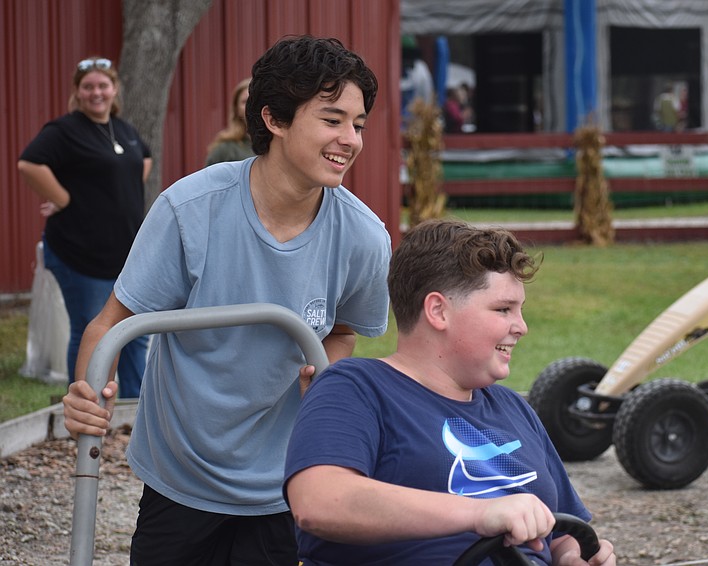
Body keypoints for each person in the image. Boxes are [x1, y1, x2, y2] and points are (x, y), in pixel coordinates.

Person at [62, 36, 391, 566]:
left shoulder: (363, 237)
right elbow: (110, 325)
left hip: (283, 478)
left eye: (358, 124)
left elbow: (344, 330)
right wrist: (86, 393)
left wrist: (326, 374)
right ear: (275, 120)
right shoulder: (190, 210)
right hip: (181, 473)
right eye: (332, 120)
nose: (350, 139)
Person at [285, 219, 617, 566]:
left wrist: (569, 556)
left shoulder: (514, 409)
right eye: (503, 309)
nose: (522, 327)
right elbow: (320, 502)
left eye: (520, 310)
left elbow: (558, 528)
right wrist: (479, 514)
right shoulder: (355, 387)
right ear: (438, 310)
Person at [17, 56, 151, 398]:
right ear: (77, 92)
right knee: (93, 327)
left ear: (114, 89)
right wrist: (62, 198)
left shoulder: (123, 129)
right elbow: (29, 164)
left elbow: (144, 158)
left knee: (136, 330)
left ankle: (132, 408)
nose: (97, 92)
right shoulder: (64, 131)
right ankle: (85, 407)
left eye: (103, 85)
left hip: (125, 253)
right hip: (80, 254)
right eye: (88, 86)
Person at [205, 77, 254, 166]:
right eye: (245, 101)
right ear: (237, 110)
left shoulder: (276, 145)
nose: (250, 105)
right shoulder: (225, 149)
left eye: (254, 100)